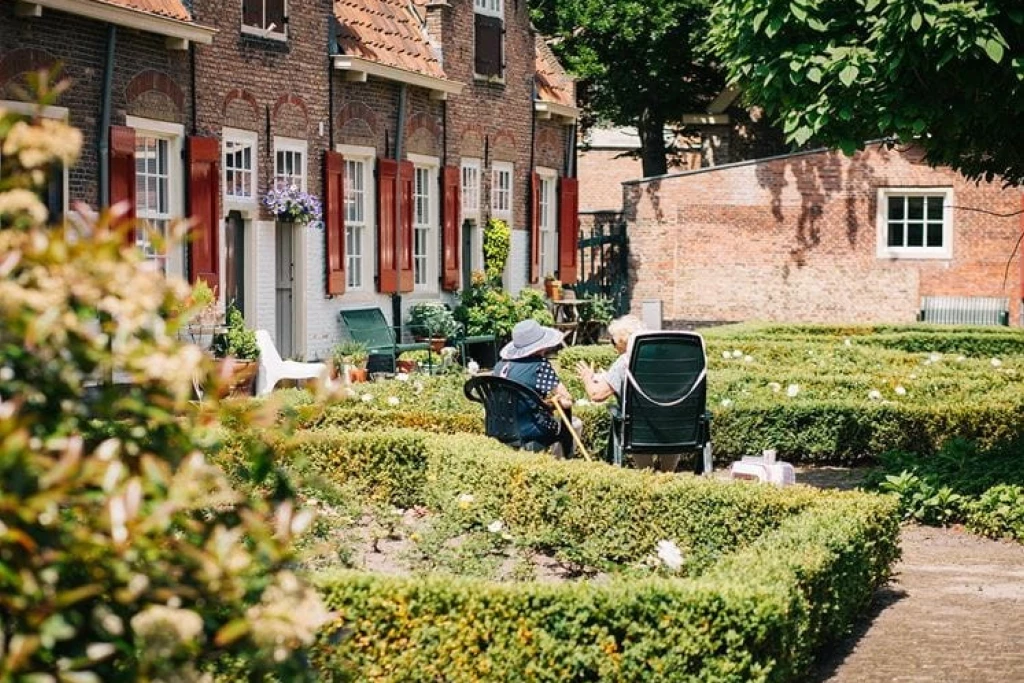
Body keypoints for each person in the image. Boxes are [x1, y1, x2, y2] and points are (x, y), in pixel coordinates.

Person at [576, 315, 680, 472]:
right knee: (666, 422)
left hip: (640, 431)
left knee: (634, 422)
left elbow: (596, 395)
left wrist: (587, 377)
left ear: (623, 342)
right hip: (675, 429)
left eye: (613, 341)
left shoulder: (625, 362)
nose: (613, 346)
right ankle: (667, 475)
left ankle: (648, 475)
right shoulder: (671, 360)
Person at [493, 318, 579, 457]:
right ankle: (560, 464)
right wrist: (560, 401)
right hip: (529, 429)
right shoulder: (539, 365)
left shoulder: (499, 366)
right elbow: (566, 400)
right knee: (575, 424)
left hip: (497, 428)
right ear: (541, 346)